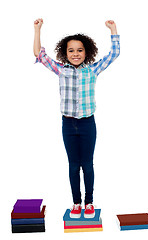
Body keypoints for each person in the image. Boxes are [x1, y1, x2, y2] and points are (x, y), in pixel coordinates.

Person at [33, 18, 120, 218]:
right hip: (68, 125)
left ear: (86, 52)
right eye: (71, 50)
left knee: (87, 164)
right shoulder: (60, 70)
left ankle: (89, 202)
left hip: (88, 124)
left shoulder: (93, 70)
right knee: (73, 165)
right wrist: (38, 30)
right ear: (65, 53)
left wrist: (113, 29)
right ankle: (76, 202)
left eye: (79, 50)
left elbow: (114, 53)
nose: (75, 54)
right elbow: (39, 54)